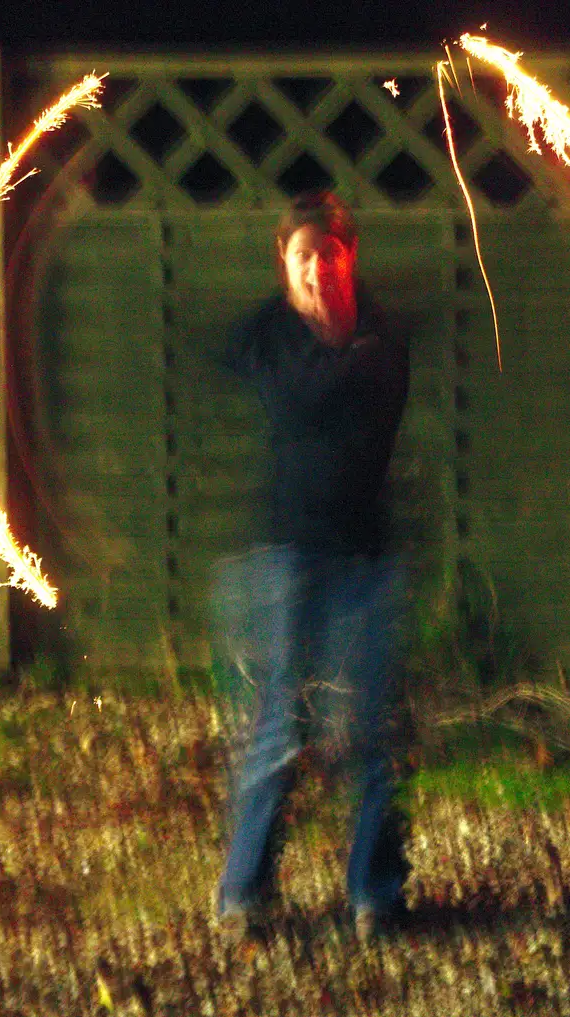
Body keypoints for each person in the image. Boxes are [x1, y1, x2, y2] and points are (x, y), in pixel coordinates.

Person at [210, 190, 414, 943]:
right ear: (284, 265)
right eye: (302, 257)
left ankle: (376, 894)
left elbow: (361, 393)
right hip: (288, 555)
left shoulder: (383, 339)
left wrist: (341, 361)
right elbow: (298, 398)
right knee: (278, 727)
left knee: (374, 733)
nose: (316, 270)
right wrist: (333, 362)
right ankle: (243, 892)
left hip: (366, 557)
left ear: (348, 257)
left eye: (328, 255)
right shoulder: (271, 334)